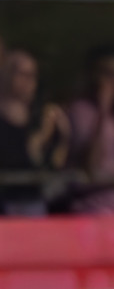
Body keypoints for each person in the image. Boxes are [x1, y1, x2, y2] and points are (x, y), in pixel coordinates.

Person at [66, 47, 114, 214]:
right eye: (106, 73)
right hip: (93, 204)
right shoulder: (80, 111)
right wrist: (103, 110)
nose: (110, 81)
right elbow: (90, 164)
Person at [0, 50, 70, 216]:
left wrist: (62, 136)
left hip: (33, 204)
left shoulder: (40, 116)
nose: (29, 81)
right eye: (23, 74)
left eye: (33, 75)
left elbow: (53, 165)